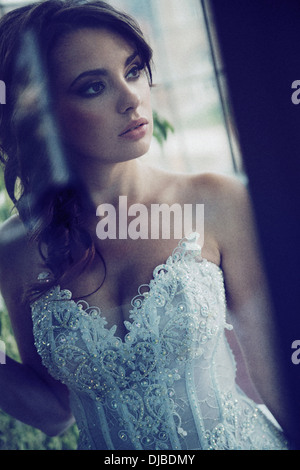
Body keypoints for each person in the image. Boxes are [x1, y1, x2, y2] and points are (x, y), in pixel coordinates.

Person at [0, 0, 290, 450]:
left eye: (133, 71)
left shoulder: (216, 201)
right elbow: (55, 412)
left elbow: (280, 379)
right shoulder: (15, 247)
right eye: (93, 87)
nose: (132, 96)